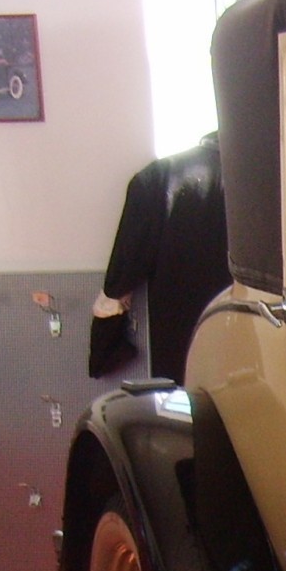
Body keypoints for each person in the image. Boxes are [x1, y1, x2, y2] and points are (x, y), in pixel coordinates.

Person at [89, 132, 230, 383]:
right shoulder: (279, 177)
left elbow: (126, 265)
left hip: (178, 335)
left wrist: (104, 346)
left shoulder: (160, 177)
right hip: (257, 329)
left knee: (179, 402)